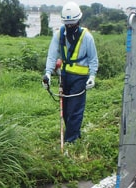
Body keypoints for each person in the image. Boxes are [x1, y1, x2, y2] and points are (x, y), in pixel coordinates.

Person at [42, 1, 99, 143]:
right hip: (64, 76)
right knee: (66, 110)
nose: (70, 26)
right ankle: (74, 134)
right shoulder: (58, 35)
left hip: (80, 78)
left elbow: (93, 59)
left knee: (75, 110)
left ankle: (70, 141)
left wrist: (92, 76)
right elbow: (52, 55)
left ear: (79, 20)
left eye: (72, 23)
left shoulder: (87, 37)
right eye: (67, 24)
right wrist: (48, 73)